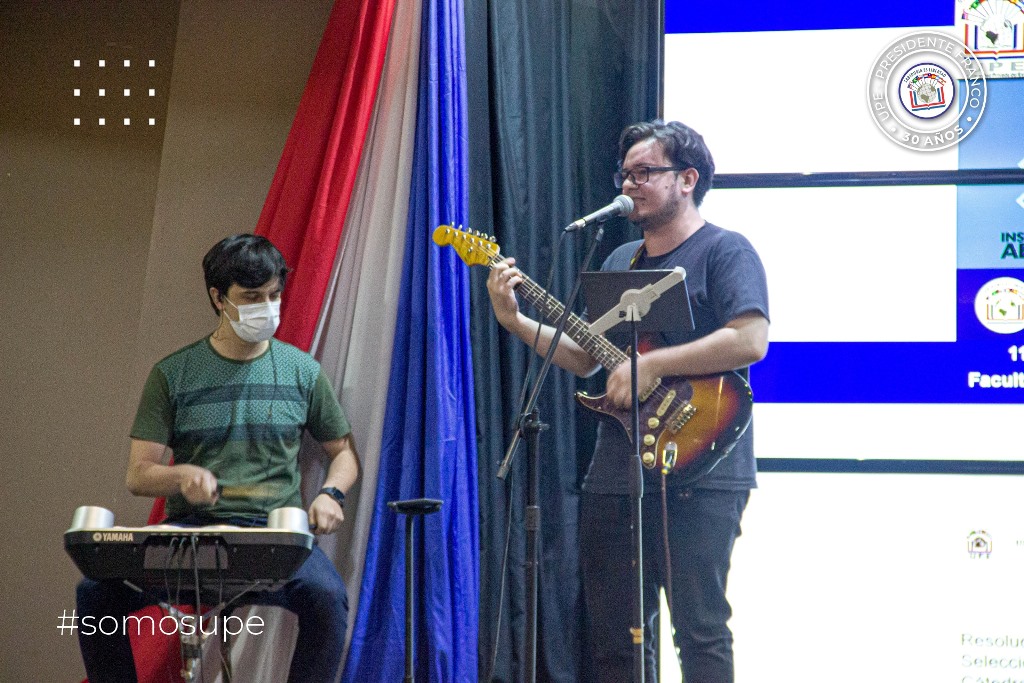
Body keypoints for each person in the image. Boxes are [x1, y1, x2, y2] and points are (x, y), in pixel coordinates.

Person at [486, 120, 769, 682]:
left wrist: (655, 366)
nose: (630, 184)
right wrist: (514, 320)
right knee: (616, 634)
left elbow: (750, 339)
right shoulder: (619, 261)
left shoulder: (725, 249)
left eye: (645, 173)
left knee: (700, 629)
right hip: (618, 470)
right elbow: (589, 356)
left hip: (702, 465)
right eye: (626, 174)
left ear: (687, 179)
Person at [76, 234, 359, 683]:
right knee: (96, 593)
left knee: (327, 598)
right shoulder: (173, 373)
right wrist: (181, 476)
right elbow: (139, 474)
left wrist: (330, 493)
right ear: (218, 297)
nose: (266, 307)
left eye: (273, 295)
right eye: (251, 297)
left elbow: (342, 453)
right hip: (190, 533)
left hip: (273, 535)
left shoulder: (302, 371)